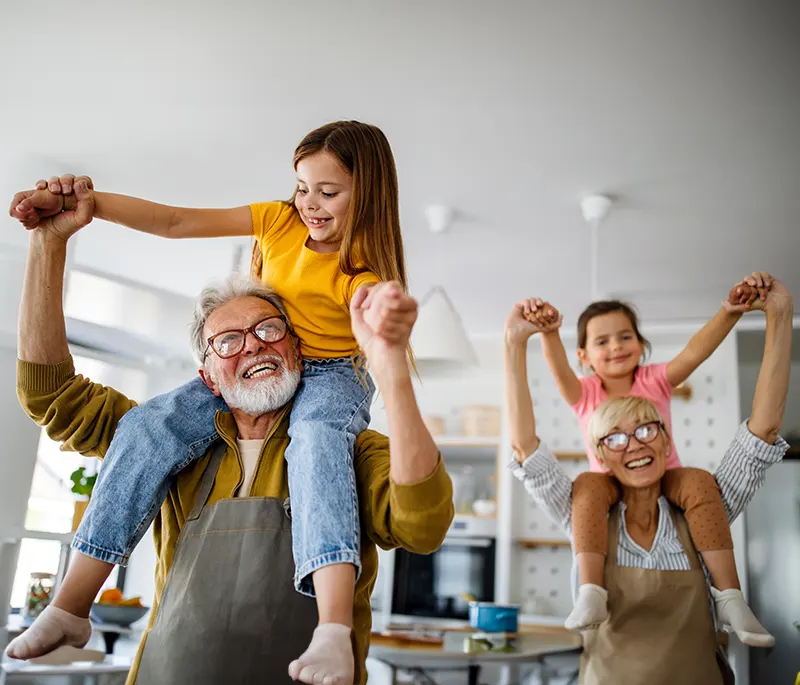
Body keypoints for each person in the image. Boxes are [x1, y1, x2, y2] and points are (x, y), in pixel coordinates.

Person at [6, 178, 454, 684]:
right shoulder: (161, 441)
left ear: (298, 350)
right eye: (228, 341)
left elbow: (423, 524)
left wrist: (389, 361)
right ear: (207, 377)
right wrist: (50, 242)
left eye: (269, 330)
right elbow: (51, 396)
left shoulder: (345, 448)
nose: (254, 347)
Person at [504, 275, 792, 685]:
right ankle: (591, 592)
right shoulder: (586, 513)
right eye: (616, 436)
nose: (635, 445)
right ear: (600, 448)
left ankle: (730, 597)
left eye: (647, 429)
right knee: (588, 485)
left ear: (667, 435)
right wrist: (523, 341)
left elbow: (758, 429)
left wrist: (767, 314)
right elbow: (525, 447)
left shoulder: (702, 509)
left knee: (697, 482)